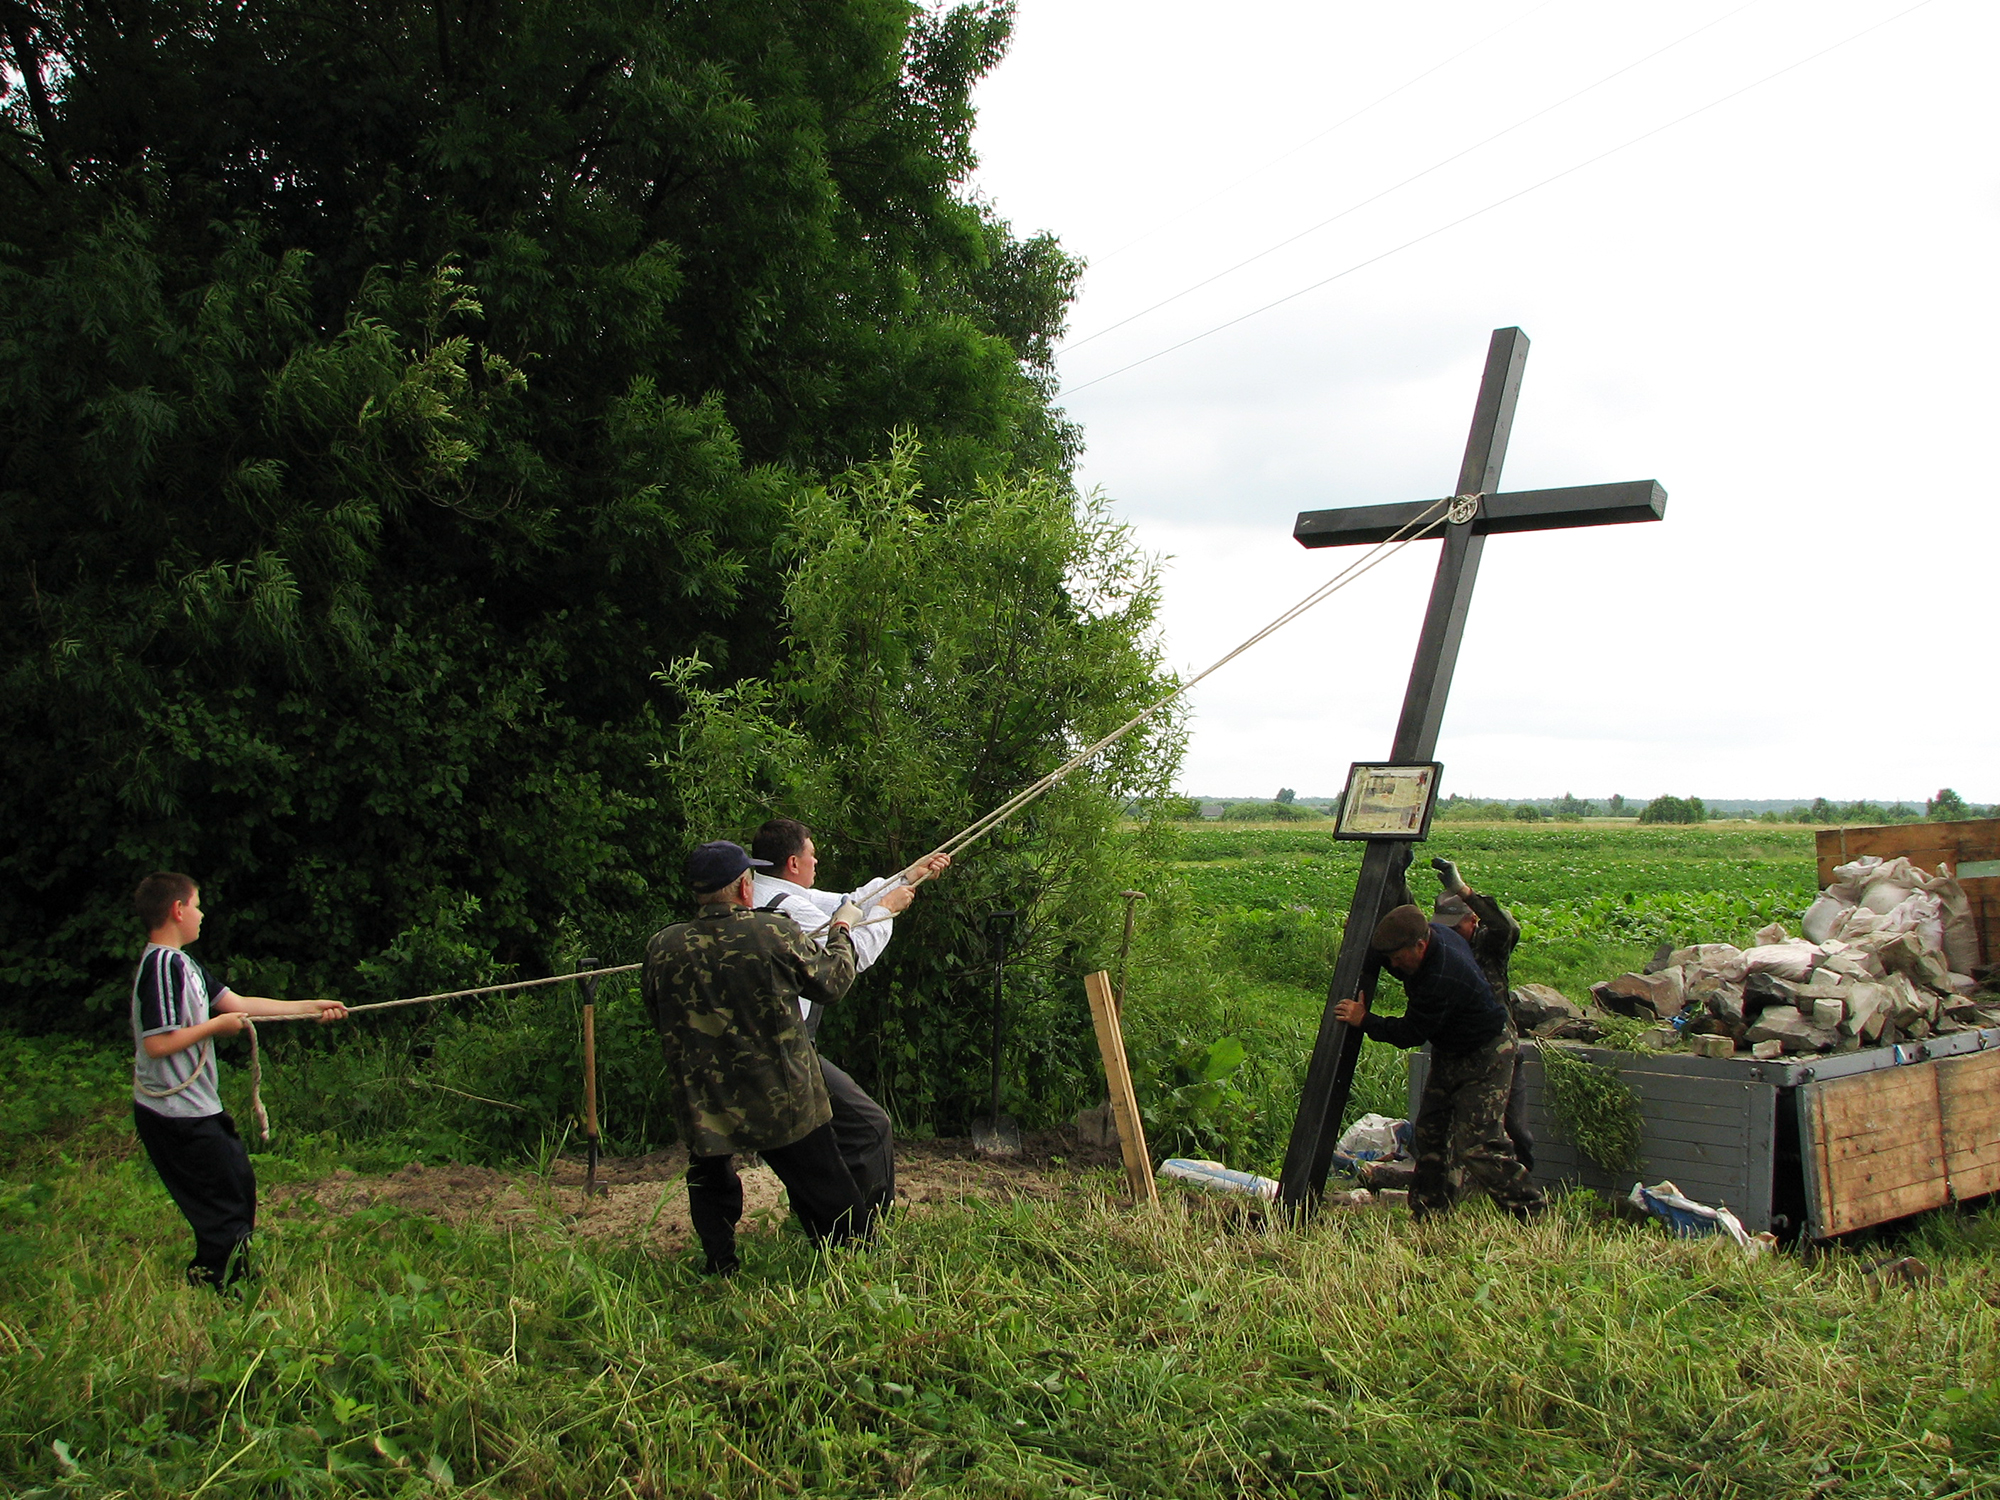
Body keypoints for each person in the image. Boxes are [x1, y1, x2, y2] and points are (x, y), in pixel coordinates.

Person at [642, 840, 871, 1276]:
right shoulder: (773, 932)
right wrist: (843, 928)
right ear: (744, 889)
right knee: (825, 1183)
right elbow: (833, 984)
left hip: (705, 1098)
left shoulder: (663, 946)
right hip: (781, 1096)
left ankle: (719, 1263)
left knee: (710, 1177)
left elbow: (660, 1015)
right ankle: (853, 1260)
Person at [129, 872, 348, 1291]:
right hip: (174, 1113)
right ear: (178, 910)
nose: (201, 913)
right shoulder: (161, 965)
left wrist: (310, 1007)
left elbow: (241, 1004)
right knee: (224, 1196)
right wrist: (215, 1027)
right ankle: (222, 1284)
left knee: (236, 1182)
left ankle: (224, 1276)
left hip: (194, 1107)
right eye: (196, 904)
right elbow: (158, 1043)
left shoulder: (184, 965)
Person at [748, 818, 949, 1221]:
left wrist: (910, 874)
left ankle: (825, 1222)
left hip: (773, 1038)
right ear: (793, 862)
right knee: (869, 1126)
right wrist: (887, 912)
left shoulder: (769, 892)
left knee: (814, 1138)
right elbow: (849, 954)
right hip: (784, 1043)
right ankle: (866, 1225)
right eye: (811, 852)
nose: (816, 859)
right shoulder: (787, 910)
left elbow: (847, 902)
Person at [1333, 904, 1544, 1223]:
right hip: (1451, 1047)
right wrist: (1361, 933)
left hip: (1486, 1052)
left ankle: (1531, 1210)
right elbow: (1393, 956)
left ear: (1419, 945)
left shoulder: (1443, 975)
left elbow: (1409, 1032)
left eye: (1398, 957)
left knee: (1478, 1145)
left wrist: (1365, 1020)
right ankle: (1430, 1212)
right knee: (1431, 1134)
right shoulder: (1426, 940)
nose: (1393, 965)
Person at [1431, 856, 1534, 1172]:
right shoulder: (1442, 947)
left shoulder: (1488, 944)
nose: (1449, 933)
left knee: (1514, 1130)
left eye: (1456, 926)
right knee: (1442, 1133)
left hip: (1497, 1049)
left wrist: (1463, 890)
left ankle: (1521, 1188)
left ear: (1472, 921)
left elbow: (1507, 926)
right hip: (1456, 1050)